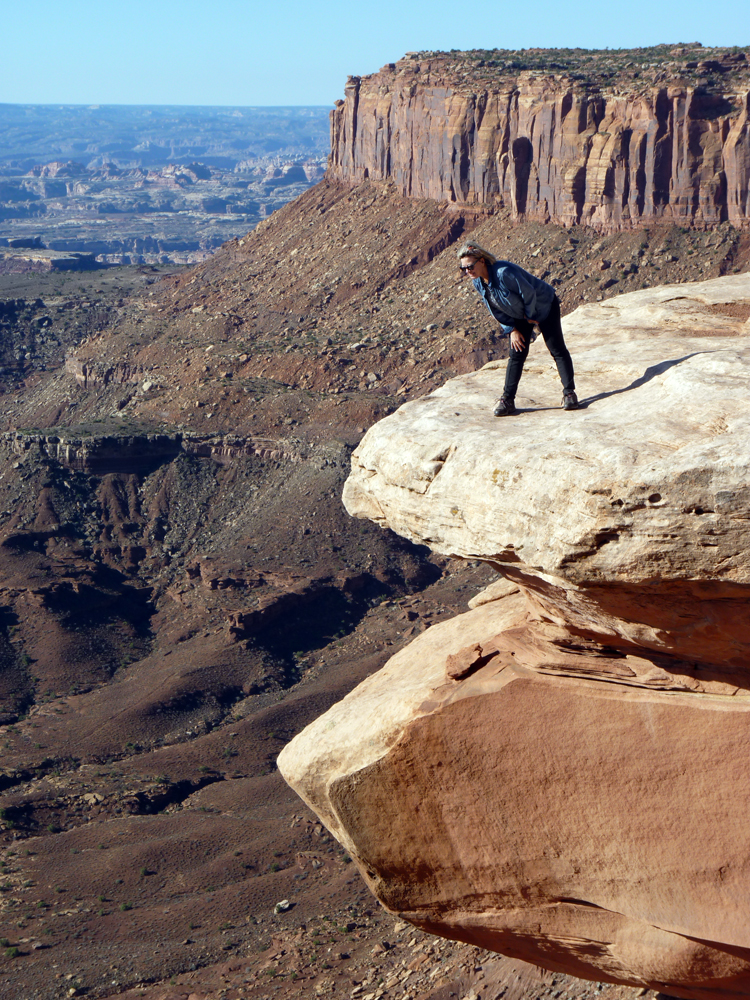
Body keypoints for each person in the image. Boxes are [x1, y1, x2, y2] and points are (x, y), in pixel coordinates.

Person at [456, 241, 578, 416]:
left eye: (470, 266)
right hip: (520, 314)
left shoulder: (503, 273)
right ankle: (507, 400)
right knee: (517, 353)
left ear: (482, 261)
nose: (468, 271)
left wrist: (530, 316)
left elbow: (529, 293)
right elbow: (494, 308)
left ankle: (569, 394)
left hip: (544, 305)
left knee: (556, 348)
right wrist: (511, 329)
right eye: (464, 269)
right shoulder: (478, 282)